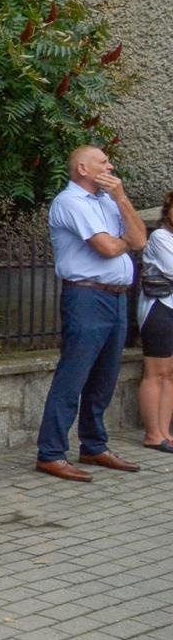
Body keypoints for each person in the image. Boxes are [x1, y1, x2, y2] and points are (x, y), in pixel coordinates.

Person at [35, 145, 147, 481]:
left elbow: (140, 240)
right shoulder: (69, 202)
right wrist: (123, 238)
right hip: (86, 296)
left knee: (105, 376)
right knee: (74, 375)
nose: (111, 166)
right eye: (103, 162)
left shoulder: (108, 201)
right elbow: (108, 247)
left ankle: (94, 445)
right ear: (83, 168)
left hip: (116, 297)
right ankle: (51, 453)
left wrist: (122, 199)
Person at [136, 193, 173, 453]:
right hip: (159, 310)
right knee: (155, 373)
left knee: (170, 375)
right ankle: (152, 433)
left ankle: (165, 431)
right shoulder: (160, 237)